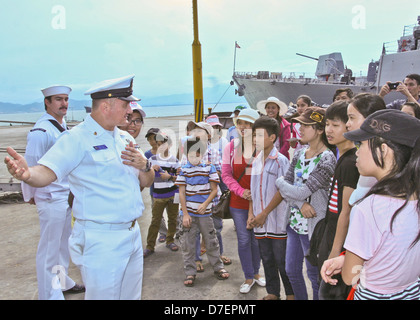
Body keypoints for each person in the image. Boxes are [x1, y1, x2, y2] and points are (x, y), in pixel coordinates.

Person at [5, 75, 154, 300]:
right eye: (126, 105)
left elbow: (146, 181)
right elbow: (46, 172)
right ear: (106, 106)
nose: (129, 112)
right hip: (102, 239)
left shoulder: (124, 138)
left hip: (132, 234)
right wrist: (27, 175)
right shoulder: (77, 139)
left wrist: (145, 166)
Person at [321, 109, 420, 300]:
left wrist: (347, 260)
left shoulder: (368, 208)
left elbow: (350, 275)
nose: (356, 151)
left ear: (383, 150)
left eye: (361, 144)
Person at [21, 85, 84, 299]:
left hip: (64, 196)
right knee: (49, 249)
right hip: (49, 196)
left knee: (63, 244)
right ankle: (49, 294)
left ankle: (62, 282)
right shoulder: (41, 131)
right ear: (47, 102)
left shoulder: (61, 125)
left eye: (66, 99)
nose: (64, 103)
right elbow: (30, 165)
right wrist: (30, 195)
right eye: (58, 99)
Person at [275, 107, 337, 300]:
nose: (299, 129)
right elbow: (284, 183)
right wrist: (300, 204)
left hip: (314, 227)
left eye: (305, 125)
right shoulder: (299, 153)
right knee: (291, 271)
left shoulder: (327, 159)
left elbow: (299, 189)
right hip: (294, 223)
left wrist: (282, 184)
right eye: (299, 124)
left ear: (319, 129)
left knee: (314, 275)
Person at [316, 101, 360, 300]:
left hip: (338, 240)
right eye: (327, 125)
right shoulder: (342, 157)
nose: (328, 130)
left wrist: (334, 253)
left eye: (336, 125)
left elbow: (346, 211)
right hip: (332, 233)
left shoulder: (350, 163)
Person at [247, 116, 294, 300]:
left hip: (277, 221)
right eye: (253, 135)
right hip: (260, 222)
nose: (254, 139)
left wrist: (264, 213)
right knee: (266, 259)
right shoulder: (256, 160)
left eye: (259, 135)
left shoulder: (281, 161)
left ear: (273, 137)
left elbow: (283, 191)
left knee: (282, 261)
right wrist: (252, 213)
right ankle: (273, 292)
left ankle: (290, 293)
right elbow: (252, 190)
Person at [221, 108, 264, 294]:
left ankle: (256, 273)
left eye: (248, 124)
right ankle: (248, 275)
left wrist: (254, 195)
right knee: (244, 240)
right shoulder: (231, 147)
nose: (244, 127)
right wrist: (241, 191)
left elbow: (265, 176)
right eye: (241, 123)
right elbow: (226, 175)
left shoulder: (263, 146)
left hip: (259, 203)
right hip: (238, 203)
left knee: (257, 240)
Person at [175, 138, 229, 287]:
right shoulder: (184, 170)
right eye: (190, 156)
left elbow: (213, 190)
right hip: (189, 215)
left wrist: (206, 204)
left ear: (202, 154)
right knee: (188, 244)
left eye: (197, 155)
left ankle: (218, 267)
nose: (194, 159)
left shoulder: (209, 168)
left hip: (205, 214)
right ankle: (190, 272)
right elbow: (181, 193)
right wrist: (185, 214)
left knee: (211, 241)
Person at [346, 93, 386, 206]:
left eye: (351, 118)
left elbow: (355, 200)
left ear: (371, 120)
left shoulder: (373, 155)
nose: (347, 124)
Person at [144, 132, 180, 257]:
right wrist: (150, 170)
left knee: (173, 219)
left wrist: (169, 176)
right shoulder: (152, 159)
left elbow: (180, 179)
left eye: (163, 144)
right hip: (158, 196)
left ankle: (170, 240)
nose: (161, 147)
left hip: (173, 194)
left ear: (169, 145)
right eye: (158, 144)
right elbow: (145, 176)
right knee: (155, 221)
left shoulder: (175, 160)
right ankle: (150, 246)